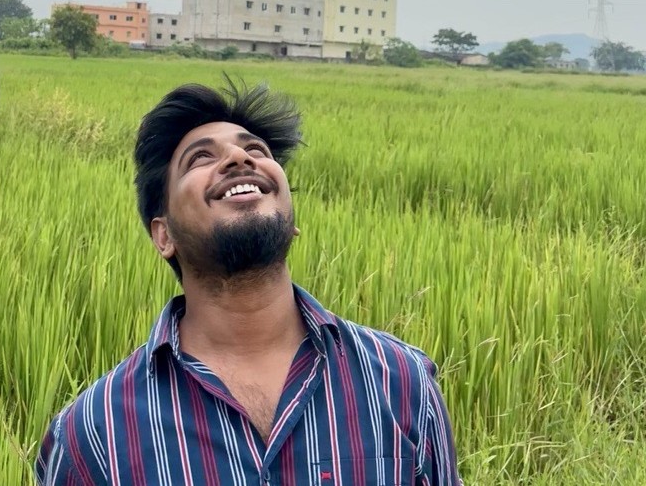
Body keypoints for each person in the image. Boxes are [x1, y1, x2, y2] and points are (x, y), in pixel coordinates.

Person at [35, 81, 462, 485]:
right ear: (163, 235)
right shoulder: (94, 433)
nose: (239, 159)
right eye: (200, 158)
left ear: (291, 220)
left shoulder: (400, 382)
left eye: (255, 149)